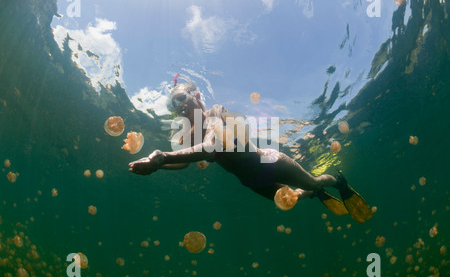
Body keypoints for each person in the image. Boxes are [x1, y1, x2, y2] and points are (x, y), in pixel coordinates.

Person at [128, 81, 373, 223]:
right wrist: (157, 167)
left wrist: (159, 157)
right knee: (291, 199)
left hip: (270, 162)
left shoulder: (215, 113)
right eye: (173, 105)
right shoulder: (190, 135)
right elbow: (183, 163)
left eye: (181, 97)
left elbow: (208, 148)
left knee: (314, 180)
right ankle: (314, 193)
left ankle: (338, 183)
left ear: (196, 95)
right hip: (250, 181)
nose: (179, 106)